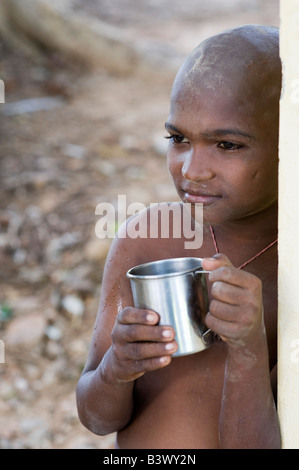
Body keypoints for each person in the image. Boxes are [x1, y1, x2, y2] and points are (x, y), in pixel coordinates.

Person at [76, 24, 281, 449]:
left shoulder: (289, 271)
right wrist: (117, 368)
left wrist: (248, 350)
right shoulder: (148, 239)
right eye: (178, 139)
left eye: (227, 145)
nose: (191, 170)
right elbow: (95, 417)